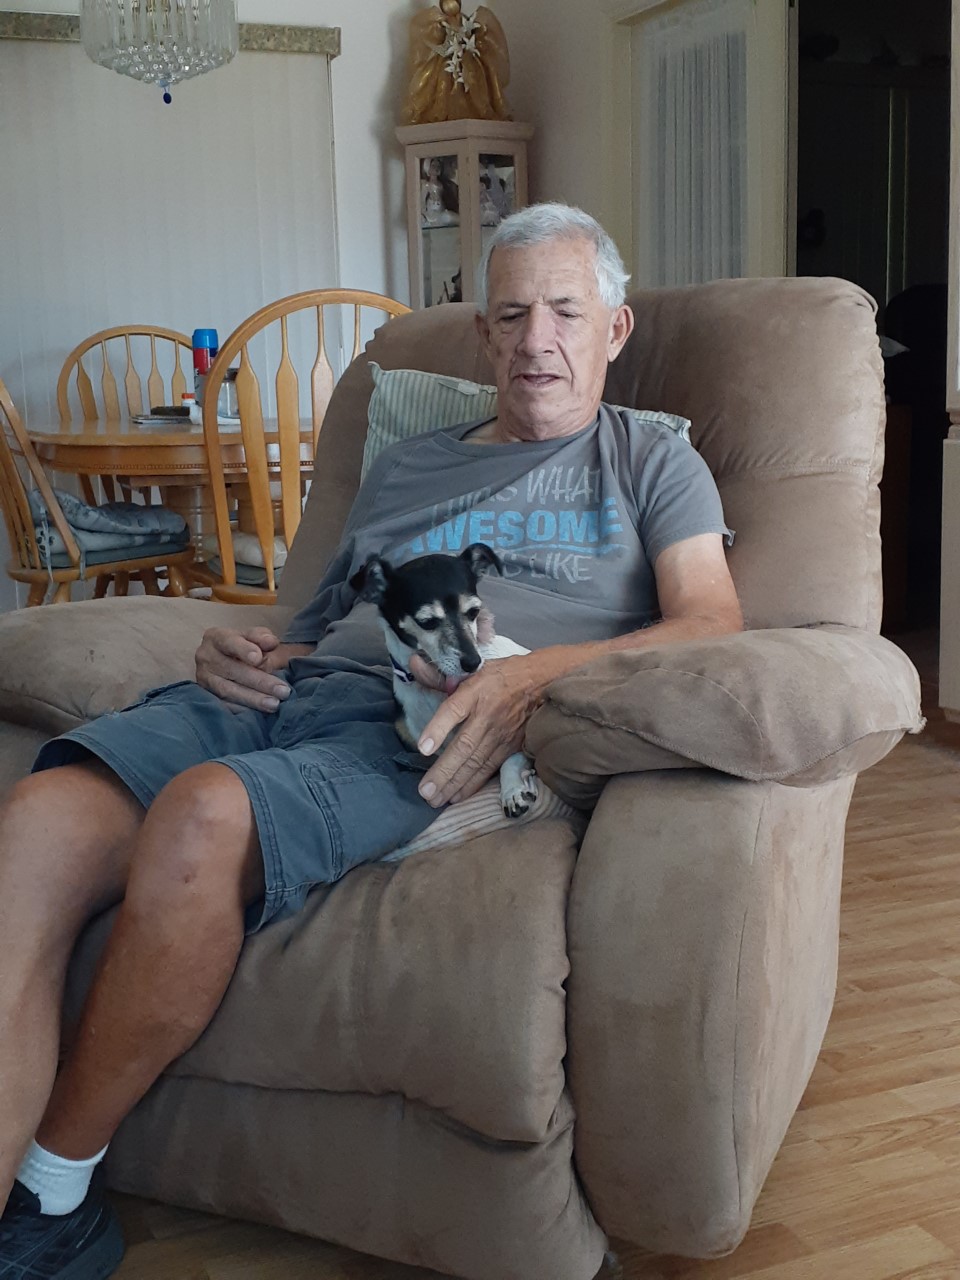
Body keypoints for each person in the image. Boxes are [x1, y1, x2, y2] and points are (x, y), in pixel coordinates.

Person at [0, 202, 743, 1278]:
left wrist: (525, 677)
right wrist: (242, 646)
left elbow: (712, 621)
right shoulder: (407, 466)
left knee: (203, 814)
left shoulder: (651, 462)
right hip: (292, 692)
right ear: (483, 333)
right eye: (512, 314)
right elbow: (311, 617)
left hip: (420, 724)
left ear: (614, 329)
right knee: (34, 823)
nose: (537, 340)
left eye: (566, 312)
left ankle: (51, 1197)